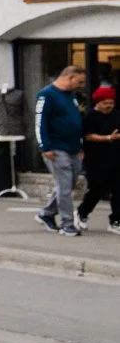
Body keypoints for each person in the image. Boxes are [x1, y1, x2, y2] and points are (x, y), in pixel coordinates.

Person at [35, 64, 88, 237]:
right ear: (70, 77)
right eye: (79, 82)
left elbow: (75, 121)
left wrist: (79, 145)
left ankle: (47, 213)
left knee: (68, 185)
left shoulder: (70, 96)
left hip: (72, 148)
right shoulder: (46, 95)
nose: (81, 86)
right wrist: (45, 147)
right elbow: (40, 123)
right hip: (56, 149)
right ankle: (67, 224)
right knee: (65, 187)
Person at [79, 85, 118, 230]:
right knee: (98, 188)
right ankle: (82, 212)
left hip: (115, 157)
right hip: (96, 158)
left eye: (111, 103)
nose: (109, 106)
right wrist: (108, 137)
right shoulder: (90, 116)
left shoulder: (116, 115)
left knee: (118, 189)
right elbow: (88, 136)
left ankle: (116, 220)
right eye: (105, 103)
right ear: (98, 102)